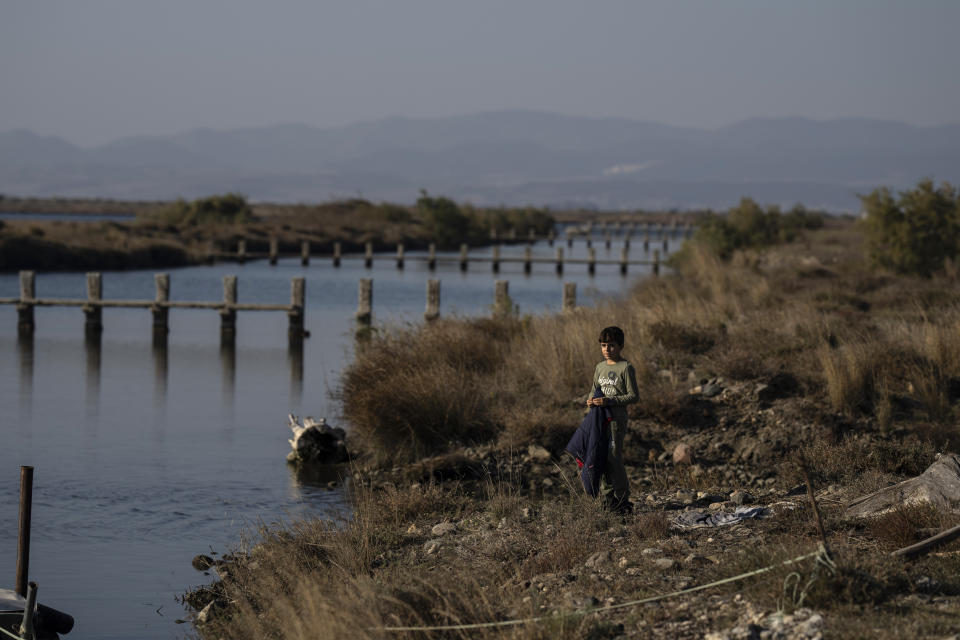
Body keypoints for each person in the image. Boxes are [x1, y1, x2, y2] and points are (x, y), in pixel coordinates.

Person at [585, 325, 639, 513]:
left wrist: (610, 401)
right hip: (600, 420)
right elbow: (594, 388)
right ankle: (608, 499)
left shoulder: (626, 368)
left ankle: (622, 498)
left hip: (617, 420)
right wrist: (591, 400)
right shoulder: (599, 367)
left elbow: (633, 396)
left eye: (612, 346)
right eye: (603, 345)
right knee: (601, 457)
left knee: (614, 458)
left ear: (621, 346)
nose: (607, 350)